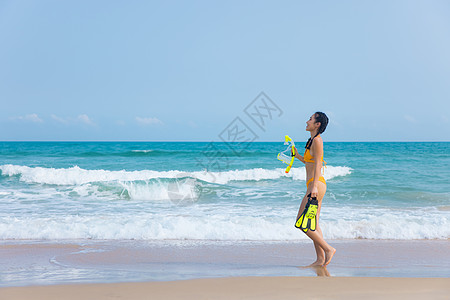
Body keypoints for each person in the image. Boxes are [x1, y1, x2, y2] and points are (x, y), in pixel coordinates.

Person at [293, 112, 336, 267]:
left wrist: (313, 187)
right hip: (315, 184)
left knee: (301, 222)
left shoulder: (317, 140)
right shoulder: (311, 141)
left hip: (316, 185)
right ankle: (320, 259)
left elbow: (318, 164)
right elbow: (309, 161)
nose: (307, 121)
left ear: (317, 124)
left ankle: (328, 249)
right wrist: (297, 155)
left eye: (310, 119)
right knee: (314, 223)